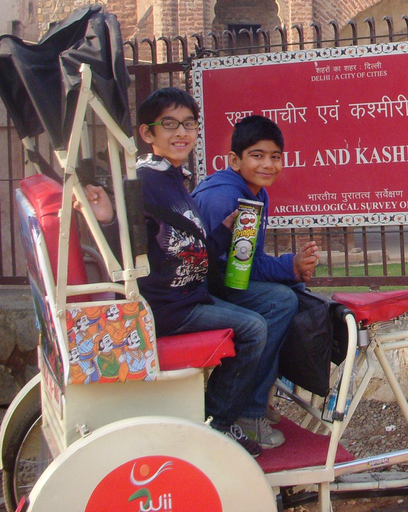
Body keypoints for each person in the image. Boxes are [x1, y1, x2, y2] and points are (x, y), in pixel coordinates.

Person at [76, 87, 268, 457]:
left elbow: (186, 249)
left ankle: (241, 410)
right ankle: (220, 422)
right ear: (148, 133)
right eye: (170, 125)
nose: (182, 133)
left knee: (273, 303)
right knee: (255, 327)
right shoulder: (145, 182)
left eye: (189, 124)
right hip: (170, 309)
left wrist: (224, 230)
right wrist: (109, 218)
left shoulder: (175, 179)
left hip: (187, 295)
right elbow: (127, 245)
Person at [192, 114, 319, 449]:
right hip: (200, 289)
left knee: (291, 291)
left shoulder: (252, 191)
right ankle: (247, 413)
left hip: (218, 279)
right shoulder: (230, 197)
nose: (268, 164)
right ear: (235, 160)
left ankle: (259, 399)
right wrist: (289, 266)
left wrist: (290, 271)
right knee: (281, 301)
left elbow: (244, 261)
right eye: (257, 155)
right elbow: (239, 269)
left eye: (275, 157)